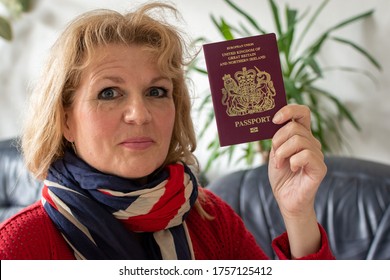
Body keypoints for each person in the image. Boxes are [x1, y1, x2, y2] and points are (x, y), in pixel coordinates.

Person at [0, 2, 334, 260]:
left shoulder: (211, 218)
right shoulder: (20, 246)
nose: (140, 114)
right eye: (109, 93)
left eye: (156, 92)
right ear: (65, 120)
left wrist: (298, 215)